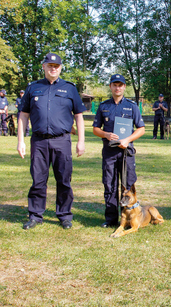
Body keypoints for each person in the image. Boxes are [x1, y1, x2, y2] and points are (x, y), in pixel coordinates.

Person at [17, 52, 86, 230]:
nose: (53, 69)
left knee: (64, 180)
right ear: (44, 67)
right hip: (39, 141)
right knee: (38, 180)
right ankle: (35, 215)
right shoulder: (33, 88)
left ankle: (64, 215)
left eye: (56, 66)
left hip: (62, 141)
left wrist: (81, 141)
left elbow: (79, 116)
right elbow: (23, 115)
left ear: (60, 68)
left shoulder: (69, 88)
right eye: (50, 66)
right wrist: (20, 141)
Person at [93, 74, 145, 228]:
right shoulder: (103, 106)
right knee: (110, 185)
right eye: (114, 85)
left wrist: (127, 140)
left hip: (126, 152)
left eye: (120, 85)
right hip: (109, 152)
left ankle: (129, 218)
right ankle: (110, 219)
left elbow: (141, 129)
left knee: (128, 185)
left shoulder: (132, 106)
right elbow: (95, 129)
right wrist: (105, 134)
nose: (117, 87)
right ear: (110, 86)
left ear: (124, 87)